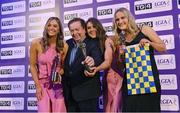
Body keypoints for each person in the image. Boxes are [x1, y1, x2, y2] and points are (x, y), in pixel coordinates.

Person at [113, 8, 166, 112]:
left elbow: (163, 48)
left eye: (122, 18)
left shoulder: (144, 29)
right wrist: (120, 56)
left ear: (129, 18)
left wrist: (149, 43)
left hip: (148, 80)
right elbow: (121, 66)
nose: (120, 22)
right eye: (117, 20)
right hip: (130, 82)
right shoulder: (120, 39)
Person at [62, 17, 103, 112]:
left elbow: (98, 58)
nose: (74, 33)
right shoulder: (67, 43)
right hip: (69, 95)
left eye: (77, 29)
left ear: (84, 29)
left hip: (87, 94)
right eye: (72, 30)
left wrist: (93, 61)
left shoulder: (93, 42)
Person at [30, 17, 68, 112]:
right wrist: (37, 86)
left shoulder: (64, 46)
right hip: (42, 86)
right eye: (49, 25)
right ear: (46, 27)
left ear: (59, 29)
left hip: (57, 86)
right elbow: (32, 66)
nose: (51, 28)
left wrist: (59, 74)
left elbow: (63, 67)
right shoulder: (36, 43)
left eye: (55, 26)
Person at [85, 18, 123, 112]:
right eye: (88, 28)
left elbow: (108, 62)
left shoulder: (107, 41)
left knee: (113, 107)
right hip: (108, 78)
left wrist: (96, 69)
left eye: (94, 26)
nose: (92, 29)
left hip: (115, 77)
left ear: (99, 27)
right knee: (109, 106)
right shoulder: (95, 43)